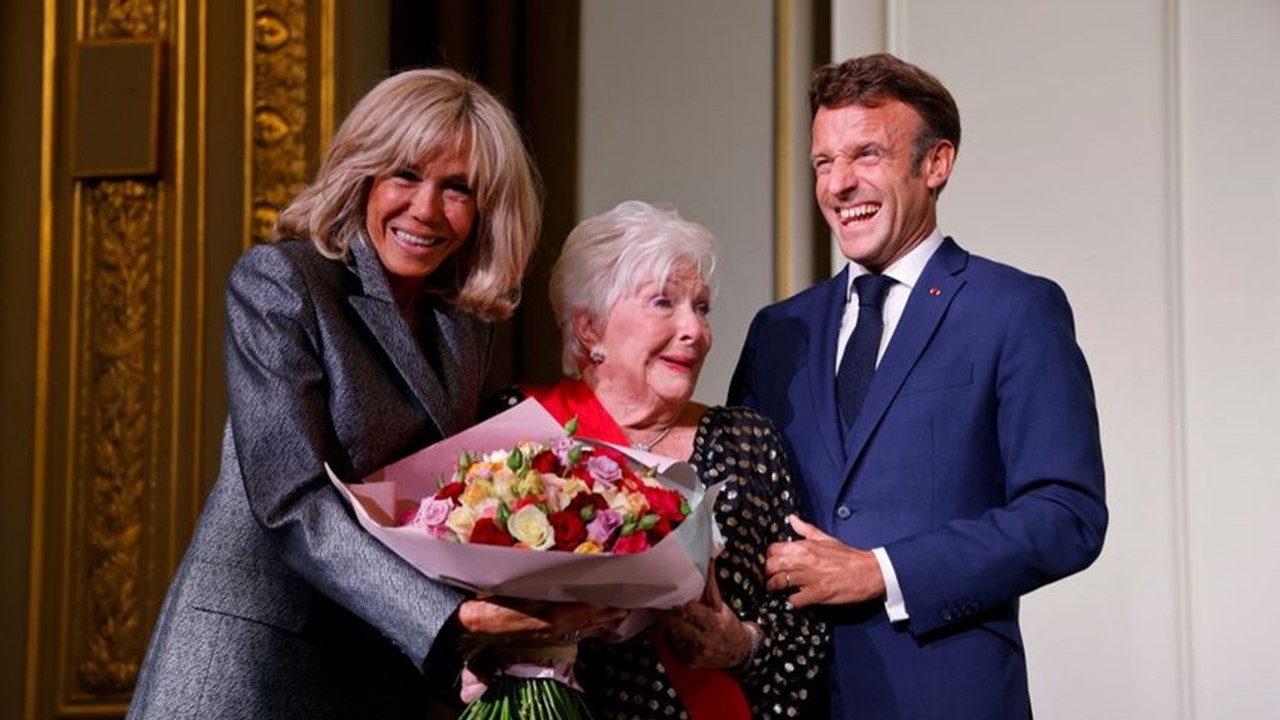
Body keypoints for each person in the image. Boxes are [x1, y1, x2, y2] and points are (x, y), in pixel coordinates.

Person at [127, 68, 619, 720]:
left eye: (458, 190)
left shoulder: (463, 326)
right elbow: (290, 498)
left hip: (379, 665)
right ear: (363, 175)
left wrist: (550, 592)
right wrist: (450, 619)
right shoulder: (281, 282)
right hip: (252, 659)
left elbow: (441, 504)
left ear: (485, 211)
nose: (425, 209)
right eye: (405, 175)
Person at [728, 53, 1108, 719]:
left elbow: (1066, 514)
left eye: (867, 155)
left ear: (935, 165)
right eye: (824, 162)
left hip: (944, 695)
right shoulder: (779, 331)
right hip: (791, 698)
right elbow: (738, 505)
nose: (840, 184)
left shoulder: (1014, 309)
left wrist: (882, 571)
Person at [486, 200, 828, 720]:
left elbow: (802, 624)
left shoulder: (746, 443)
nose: (695, 330)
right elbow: (445, 609)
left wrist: (742, 642)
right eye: (663, 304)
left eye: (702, 308)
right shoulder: (525, 426)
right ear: (589, 328)